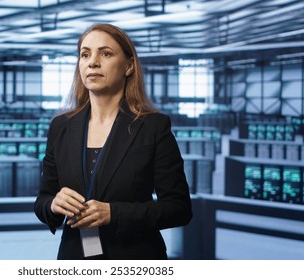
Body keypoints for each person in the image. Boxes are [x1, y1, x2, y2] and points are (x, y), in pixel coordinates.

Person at [34, 23, 192, 260]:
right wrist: (53, 205)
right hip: (76, 256)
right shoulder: (61, 127)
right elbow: (43, 199)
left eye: (105, 54)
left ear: (128, 66)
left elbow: (179, 209)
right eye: (85, 54)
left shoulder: (152, 127)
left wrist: (114, 214)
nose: (92, 62)